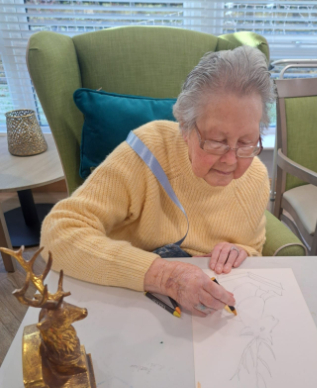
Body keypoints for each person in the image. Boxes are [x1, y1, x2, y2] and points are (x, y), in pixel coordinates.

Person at [40, 45, 273, 316]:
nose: (231, 161)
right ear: (185, 128)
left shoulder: (255, 177)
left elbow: (253, 247)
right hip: (128, 301)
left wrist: (239, 251)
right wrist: (165, 276)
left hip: (205, 314)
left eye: (246, 142)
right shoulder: (147, 152)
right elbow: (57, 234)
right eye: (217, 141)